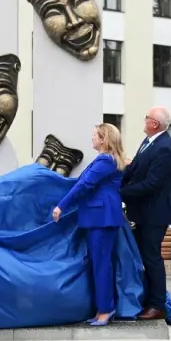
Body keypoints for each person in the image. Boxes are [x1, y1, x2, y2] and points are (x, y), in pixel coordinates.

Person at [52, 124, 126, 326]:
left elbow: (84, 185)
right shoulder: (107, 159)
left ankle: (106, 309)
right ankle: (102, 308)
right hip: (99, 217)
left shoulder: (105, 160)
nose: (92, 139)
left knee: (101, 265)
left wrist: (62, 206)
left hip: (101, 218)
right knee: (99, 264)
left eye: (95, 136)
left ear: (104, 139)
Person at [120, 106, 171, 320]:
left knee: (151, 257)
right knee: (142, 256)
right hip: (141, 212)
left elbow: (152, 183)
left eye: (146, 118)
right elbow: (135, 168)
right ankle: (146, 297)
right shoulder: (149, 142)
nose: (144, 121)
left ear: (154, 124)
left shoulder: (164, 147)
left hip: (154, 214)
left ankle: (157, 305)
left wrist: (120, 193)